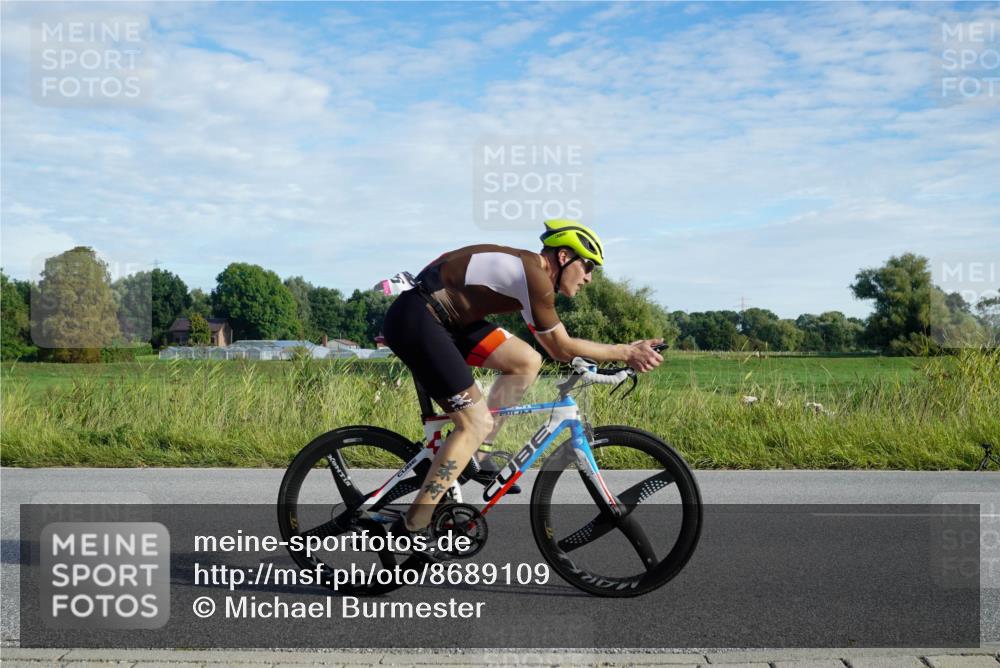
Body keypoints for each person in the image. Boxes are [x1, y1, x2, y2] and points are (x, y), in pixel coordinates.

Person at [380, 219, 663, 540]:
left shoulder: (530, 270)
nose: (589, 277)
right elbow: (560, 346)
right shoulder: (534, 277)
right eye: (588, 266)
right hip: (419, 319)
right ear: (564, 256)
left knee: (526, 360)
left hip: (445, 319)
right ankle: (412, 526)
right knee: (473, 423)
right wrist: (626, 352)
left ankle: (477, 455)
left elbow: (553, 348)